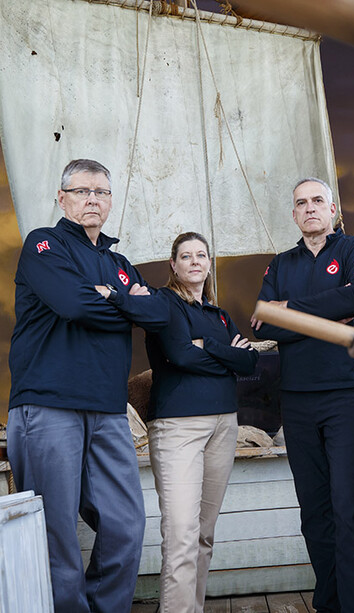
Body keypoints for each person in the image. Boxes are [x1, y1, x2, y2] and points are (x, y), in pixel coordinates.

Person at [7, 158, 169, 613]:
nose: (92, 199)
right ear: (62, 198)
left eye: (100, 192)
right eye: (81, 191)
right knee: (55, 533)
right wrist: (127, 304)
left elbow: (159, 315)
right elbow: (73, 305)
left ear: (111, 201)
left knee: (125, 523)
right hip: (47, 404)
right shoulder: (44, 245)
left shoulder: (118, 264)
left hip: (107, 410)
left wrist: (111, 295)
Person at [251, 177, 354, 612]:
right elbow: (263, 323)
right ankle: (329, 602)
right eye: (301, 203)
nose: (309, 209)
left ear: (333, 208)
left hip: (346, 393)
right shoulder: (280, 263)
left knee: (350, 505)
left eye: (317, 201)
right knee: (315, 510)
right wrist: (329, 311)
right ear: (293, 214)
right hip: (298, 397)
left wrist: (291, 312)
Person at [145, 231, 257, 613]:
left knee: (204, 534)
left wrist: (205, 346)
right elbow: (179, 355)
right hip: (179, 428)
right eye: (186, 256)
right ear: (173, 264)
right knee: (181, 533)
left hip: (224, 425)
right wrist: (224, 352)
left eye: (202, 255)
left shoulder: (220, 315)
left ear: (209, 263)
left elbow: (249, 362)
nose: (195, 261)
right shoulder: (164, 304)